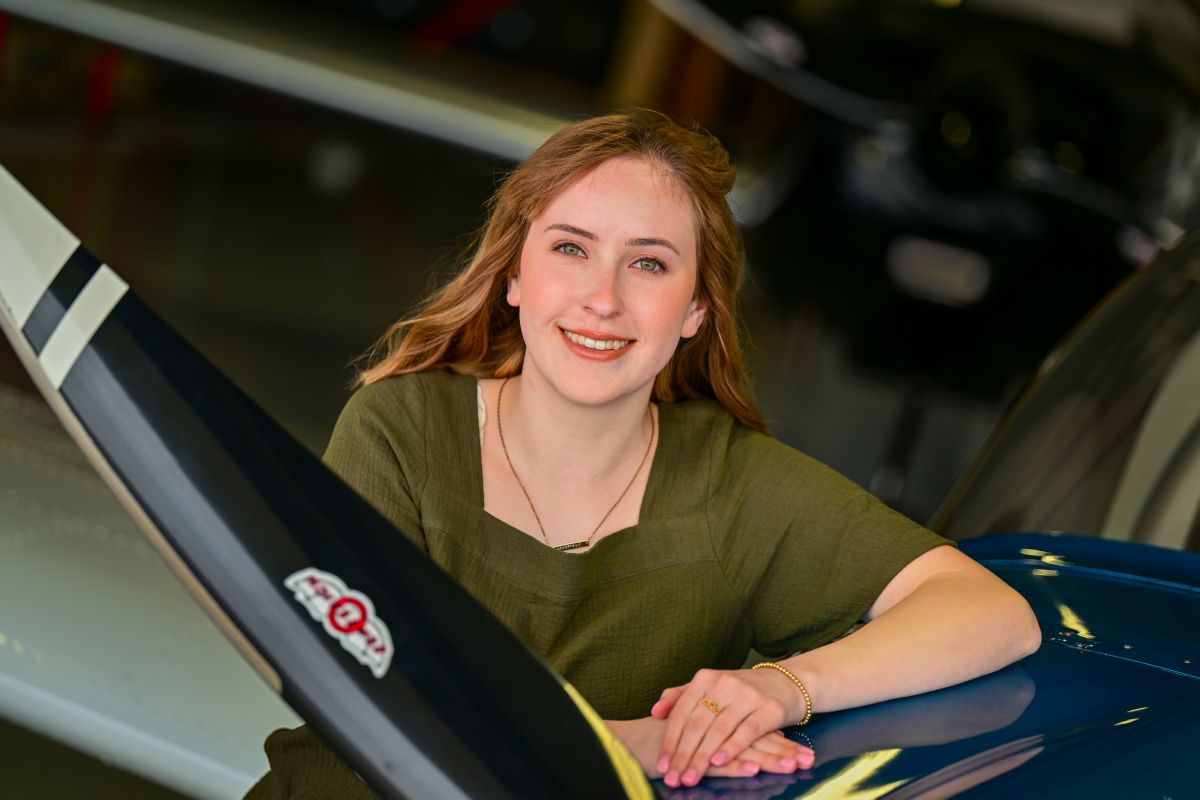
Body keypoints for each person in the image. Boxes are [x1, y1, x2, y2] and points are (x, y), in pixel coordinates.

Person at [248, 109, 1040, 796]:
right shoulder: (401, 429)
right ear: (513, 275)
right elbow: (378, 701)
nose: (604, 298)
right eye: (570, 249)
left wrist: (778, 689)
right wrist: (645, 745)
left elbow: (994, 616)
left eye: (650, 263)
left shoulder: (728, 485)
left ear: (696, 309)